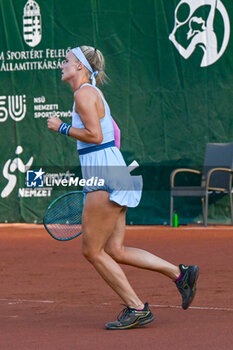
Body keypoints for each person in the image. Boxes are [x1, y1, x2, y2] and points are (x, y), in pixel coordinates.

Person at [47, 45, 199, 330]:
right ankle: (181, 274)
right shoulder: (93, 93)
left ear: (80, 66)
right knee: (115, 249)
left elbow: (94, 135)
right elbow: (114, 133)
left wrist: (62, 128)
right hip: (112, 170)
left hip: (104, 174)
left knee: (92, 251)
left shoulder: (83, 94)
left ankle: (137, 308)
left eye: (67, 60)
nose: (62, 64)